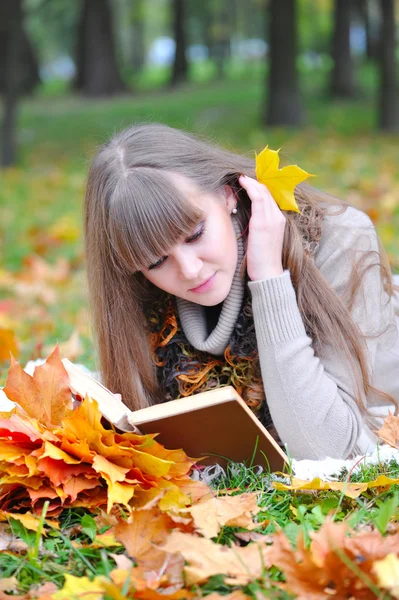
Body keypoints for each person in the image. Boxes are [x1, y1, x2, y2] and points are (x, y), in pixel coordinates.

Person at [83, 122, 399, 461]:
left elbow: (329, 449)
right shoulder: (144, 292)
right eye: (158, 260)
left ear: (228, 193)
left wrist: (268, 279)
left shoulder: (340, 241)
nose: (190, 270)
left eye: (194, 234)